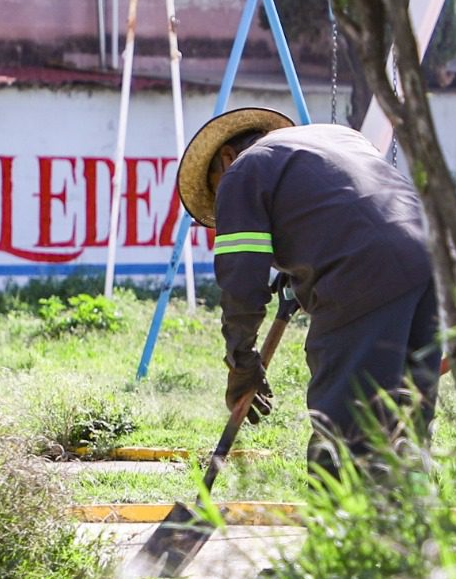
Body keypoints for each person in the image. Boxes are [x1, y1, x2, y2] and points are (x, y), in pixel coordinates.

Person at [176, 107, 439, 472]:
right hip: (432, 259)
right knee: (408, 418)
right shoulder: (336, 137)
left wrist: (241, 359)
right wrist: (299, 264)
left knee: (344, 427)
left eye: (217, 194)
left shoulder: (241, 172)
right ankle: (409, 520)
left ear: (226, 157)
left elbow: (241, 282)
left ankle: (339, 522)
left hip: (361, 272)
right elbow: (347, 209)